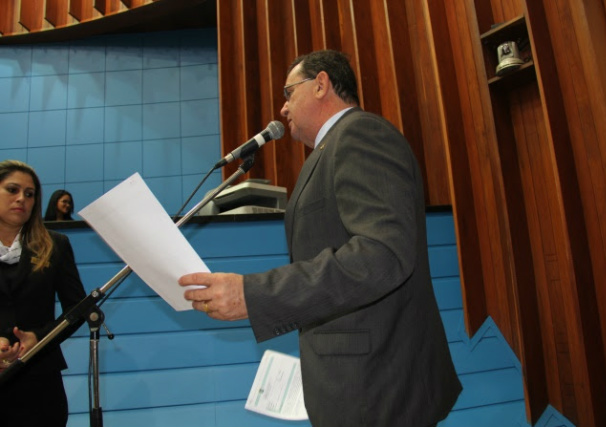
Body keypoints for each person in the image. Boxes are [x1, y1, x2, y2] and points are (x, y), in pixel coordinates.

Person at [179, 50, 462, 427]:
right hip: (357, 381)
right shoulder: (330, 151)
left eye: (288, 92)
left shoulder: (361, 135)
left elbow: (381, 255)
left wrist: (254, 295)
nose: (282, 109)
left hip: (379, 387)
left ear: (321, 84)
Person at [0, 160, 86, 427]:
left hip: (40, 376)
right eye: (12, 190)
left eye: (29, 194)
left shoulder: (56, 245)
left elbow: (78, 309)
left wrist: (39, 337)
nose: (21, 199)